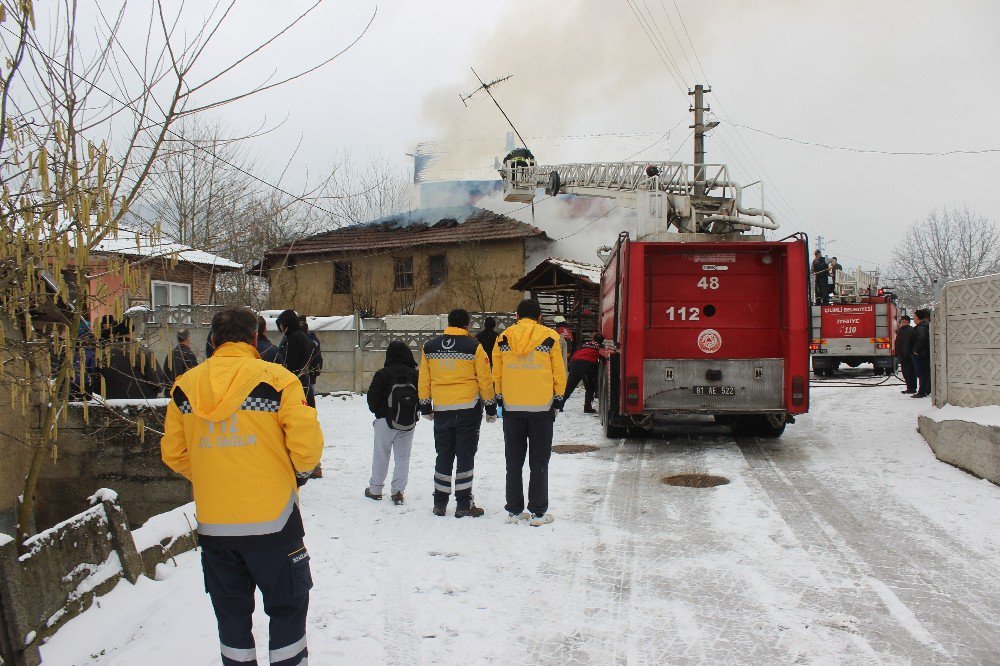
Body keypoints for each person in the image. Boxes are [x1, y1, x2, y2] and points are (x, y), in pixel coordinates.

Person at [161, 306, 322, 666]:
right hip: (274, 523)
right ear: (254, 338)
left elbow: (173, 453)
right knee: (287, 608)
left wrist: (211, 472)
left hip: (216, 527)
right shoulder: (278, 380)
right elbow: (307, 447)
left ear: (214, 340)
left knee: (231, 617)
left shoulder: (185, 388)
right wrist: (295, 473)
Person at [493, 299, 567, 527]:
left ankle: (514, 510)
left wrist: (499, 399)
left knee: (513, 461)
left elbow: (497, 373)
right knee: (539, 461)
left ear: (516, 316)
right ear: (539, 317)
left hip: (512, 409)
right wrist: (557, 400)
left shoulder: (503, 338)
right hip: (541, 409)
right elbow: (559, 372)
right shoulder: (550, 337)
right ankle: (537, 512)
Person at [418, 308, 497, 518]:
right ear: (467, 324)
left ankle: (439, 503)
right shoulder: (474, 346)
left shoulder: (430, 346)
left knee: (443, 455)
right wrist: (490, 406)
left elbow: (424, 378)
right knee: (465, 455)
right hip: (468, 410)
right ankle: (463, 504)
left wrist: (425, 405)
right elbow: (485, 379)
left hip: (442, 409)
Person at [365, 341, 419, 505]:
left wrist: (380, 413)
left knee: (381, 454)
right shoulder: (415, 374)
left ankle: (375, 489)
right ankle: (398, 492)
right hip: (408, 422)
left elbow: (372, 399)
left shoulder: (383, 374)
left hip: (384, 421)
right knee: (403, 457)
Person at [99, 319, 162, 399]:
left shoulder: (102, 354)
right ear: (132, 331)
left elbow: (97, 381)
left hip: (111, 401)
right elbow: (156, 379)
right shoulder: (143, 352)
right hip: (142, 401)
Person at [275, 309, 316, 408]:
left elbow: (290, 363)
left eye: (281, 324)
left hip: (296, 384)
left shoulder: (295, 338)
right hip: (301, 381)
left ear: (287, 323)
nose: (281, 328)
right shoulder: (300, 335)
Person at [563, 333, 604, 413]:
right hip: (587, 364)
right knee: (590, 387)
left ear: (593, 339)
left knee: (570, 386)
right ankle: (587, 408)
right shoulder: (601, 347)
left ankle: (559, 406)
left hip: (575, 362)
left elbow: (576, 352)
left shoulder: (585, 344)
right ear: (602, 341)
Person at [910, 308, 932, 398]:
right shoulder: (925, 326)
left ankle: (922, 391)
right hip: (924, 354)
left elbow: (921, 338)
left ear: (918, 318)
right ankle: (926, 390)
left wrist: (915, 350)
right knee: (925, 373)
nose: (914, 318)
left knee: (922, 373)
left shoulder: (921, 328)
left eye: (914, 317)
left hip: (921, 355)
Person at [895, 315, 917, 394]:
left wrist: (908, 353)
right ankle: (909, 387)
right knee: (905, 372)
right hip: (902, 355)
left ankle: (912, 388)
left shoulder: (910, 330)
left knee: (910, 372)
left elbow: (908, 343)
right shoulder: (901, 330)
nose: (903, 323)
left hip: (907, 355)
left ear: (908, 322)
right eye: (902, 321)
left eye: (905, 321)